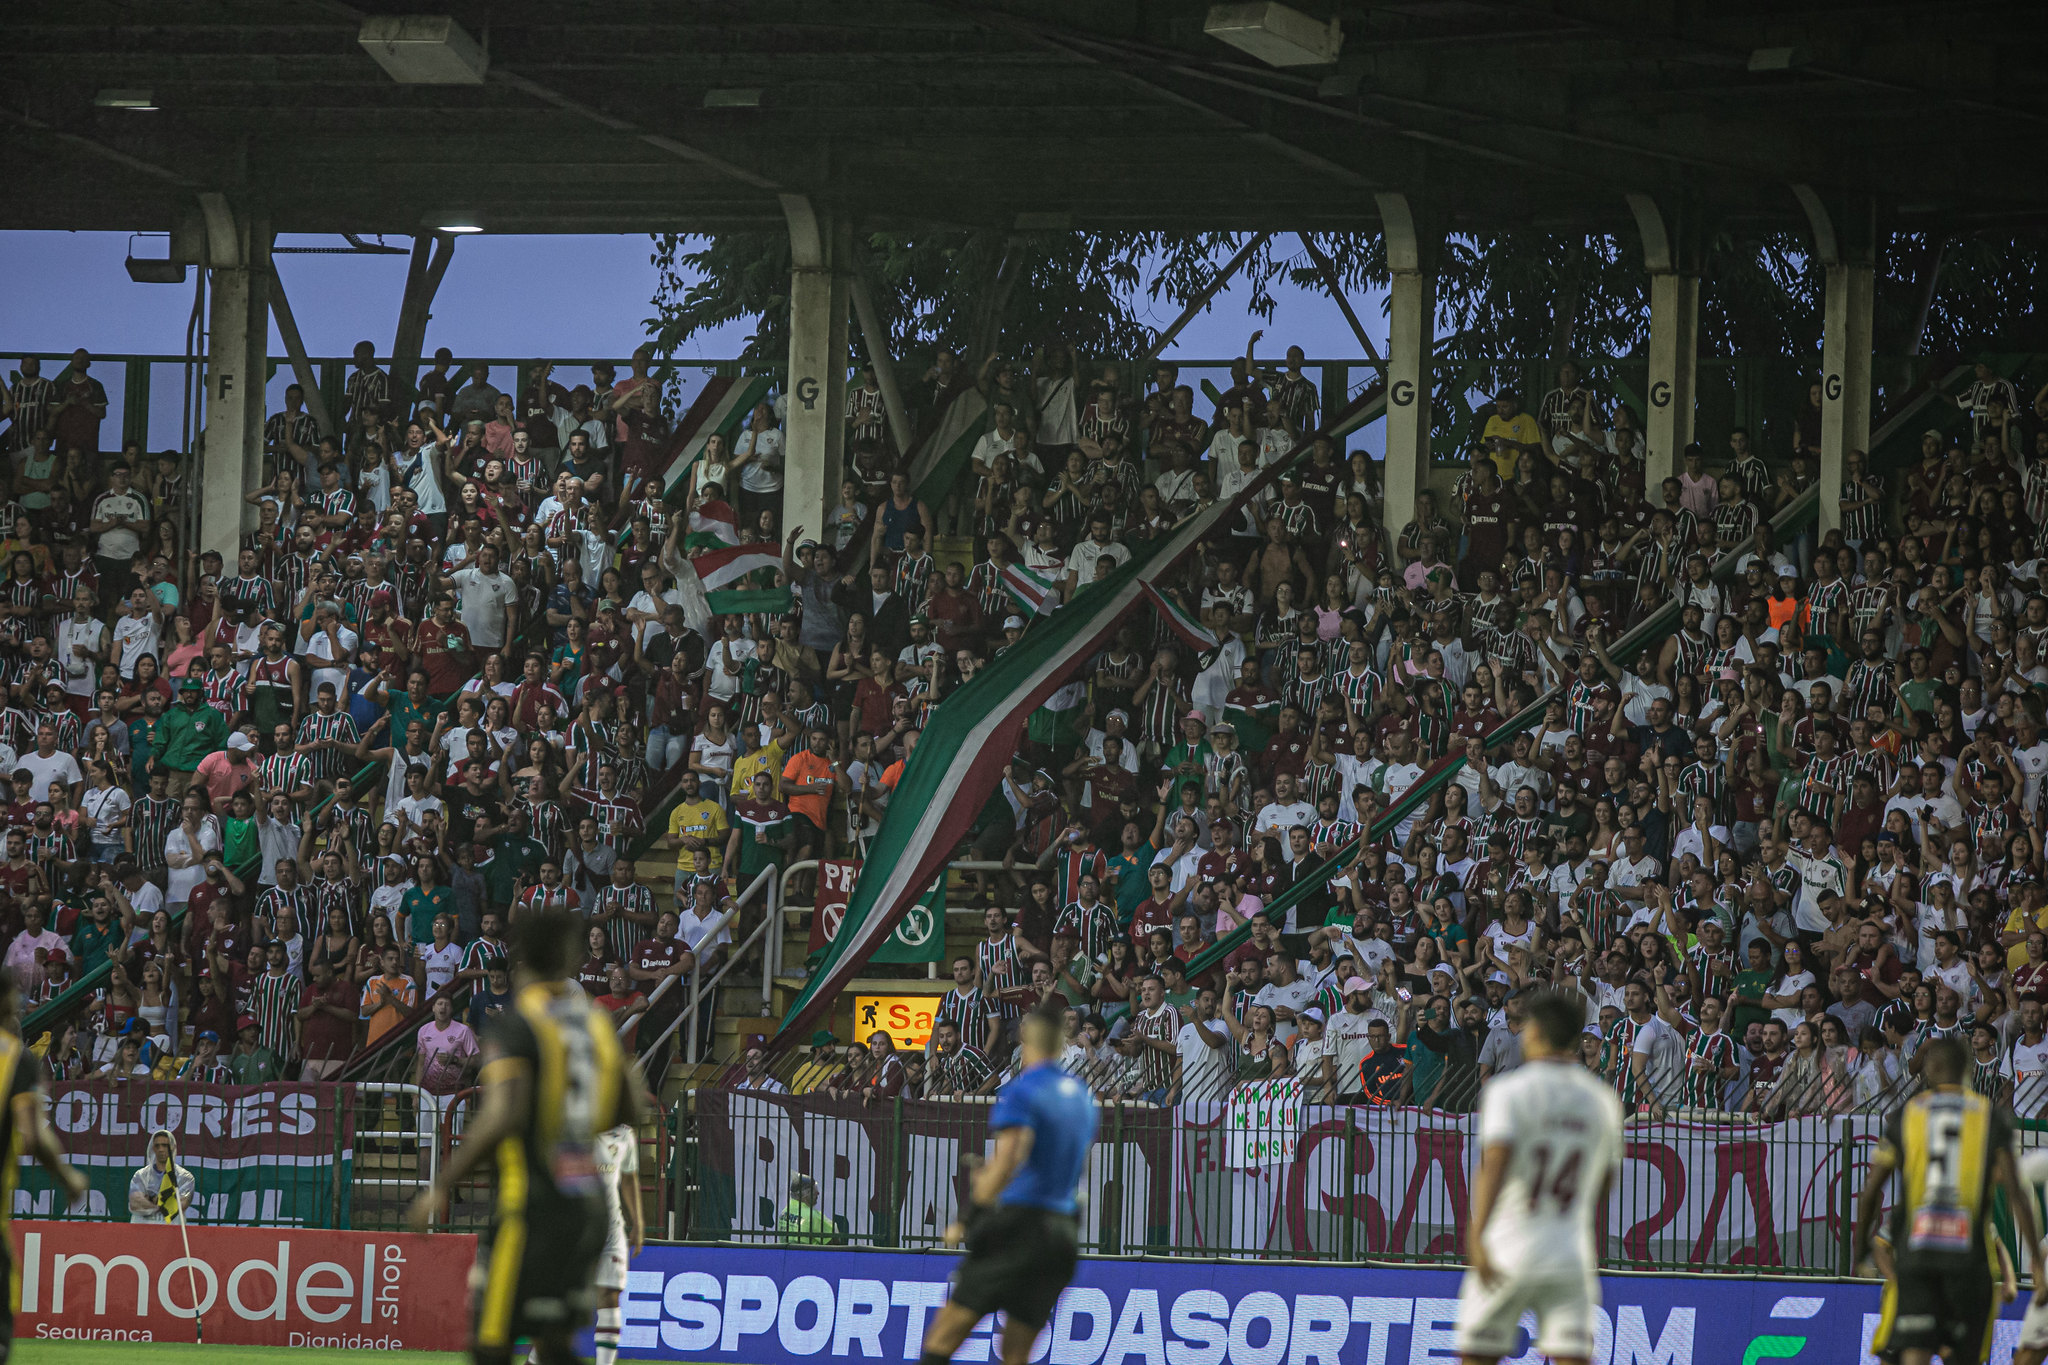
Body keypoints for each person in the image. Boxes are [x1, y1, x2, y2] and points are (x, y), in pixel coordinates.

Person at [407, 907, 646, 1365]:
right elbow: (629, 1109)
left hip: (531, 1207)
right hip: (587, 1210)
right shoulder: (595, 1023)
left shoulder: (519, 1024)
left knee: (492, 1346)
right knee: (554, 1347)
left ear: (521, 961)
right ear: (570, 958)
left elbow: (501, 1117)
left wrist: (441, 1185)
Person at [919, 1004, 1097, 1365]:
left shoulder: (1023, 1089)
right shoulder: (1081, 1096)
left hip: (1018, 1225)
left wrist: (968, 1218)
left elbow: (1008, 1158)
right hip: (1061, 1233)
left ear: (1026, 1038)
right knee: (1016, 1353)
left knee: (942, 1338)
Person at [1456, 988, 1623, 1365]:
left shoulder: (1509, 1091)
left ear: (1533, 1033)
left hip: (1509, 1246)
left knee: (1477, 1356)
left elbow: (1495, 1162)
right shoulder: (1601, 1099)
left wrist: (1477, 1231)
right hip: (1568, 1252)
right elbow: (1604, 1181)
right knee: (1572, 1357)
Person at [1856, 1037, 2041, 1365]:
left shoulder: (1907, 1113)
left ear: (1930, 1069)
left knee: (1914, 1351)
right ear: (1968, 1070)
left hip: (1917, 1255)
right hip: (1968, 1258)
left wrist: (1859, 1252)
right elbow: (2017, 1192)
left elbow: (1871, 1191)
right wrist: (2037, 1264)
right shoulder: (1989, 1116)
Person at [587, 1123, 645, 1365]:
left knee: (610, 1295)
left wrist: (638, 1222)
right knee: (563, 1309)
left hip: (611, 1227)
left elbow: (629, 1177)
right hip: (575, 1226)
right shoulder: (573, 1124)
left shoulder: (624, 1134)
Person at [127, 1126, 196, 1224]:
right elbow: (135, 1203)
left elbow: (180, 1205)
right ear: (153, 1148)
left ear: (172, 1147)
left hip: (172, 1231)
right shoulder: (140, 1175)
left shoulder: (185, 1177)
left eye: (165, 1145)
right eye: (157, 1146)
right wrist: (166, 1201)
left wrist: (150, 1199)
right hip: (143, 1230)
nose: (161, 1149)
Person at [778, 1171, 836, 1244]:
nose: (818, 1193)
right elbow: (834, 1243)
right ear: (805, 1194)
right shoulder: (813, 1216)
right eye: (814, 1190)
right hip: (810, 1254)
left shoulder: (785, 1211)